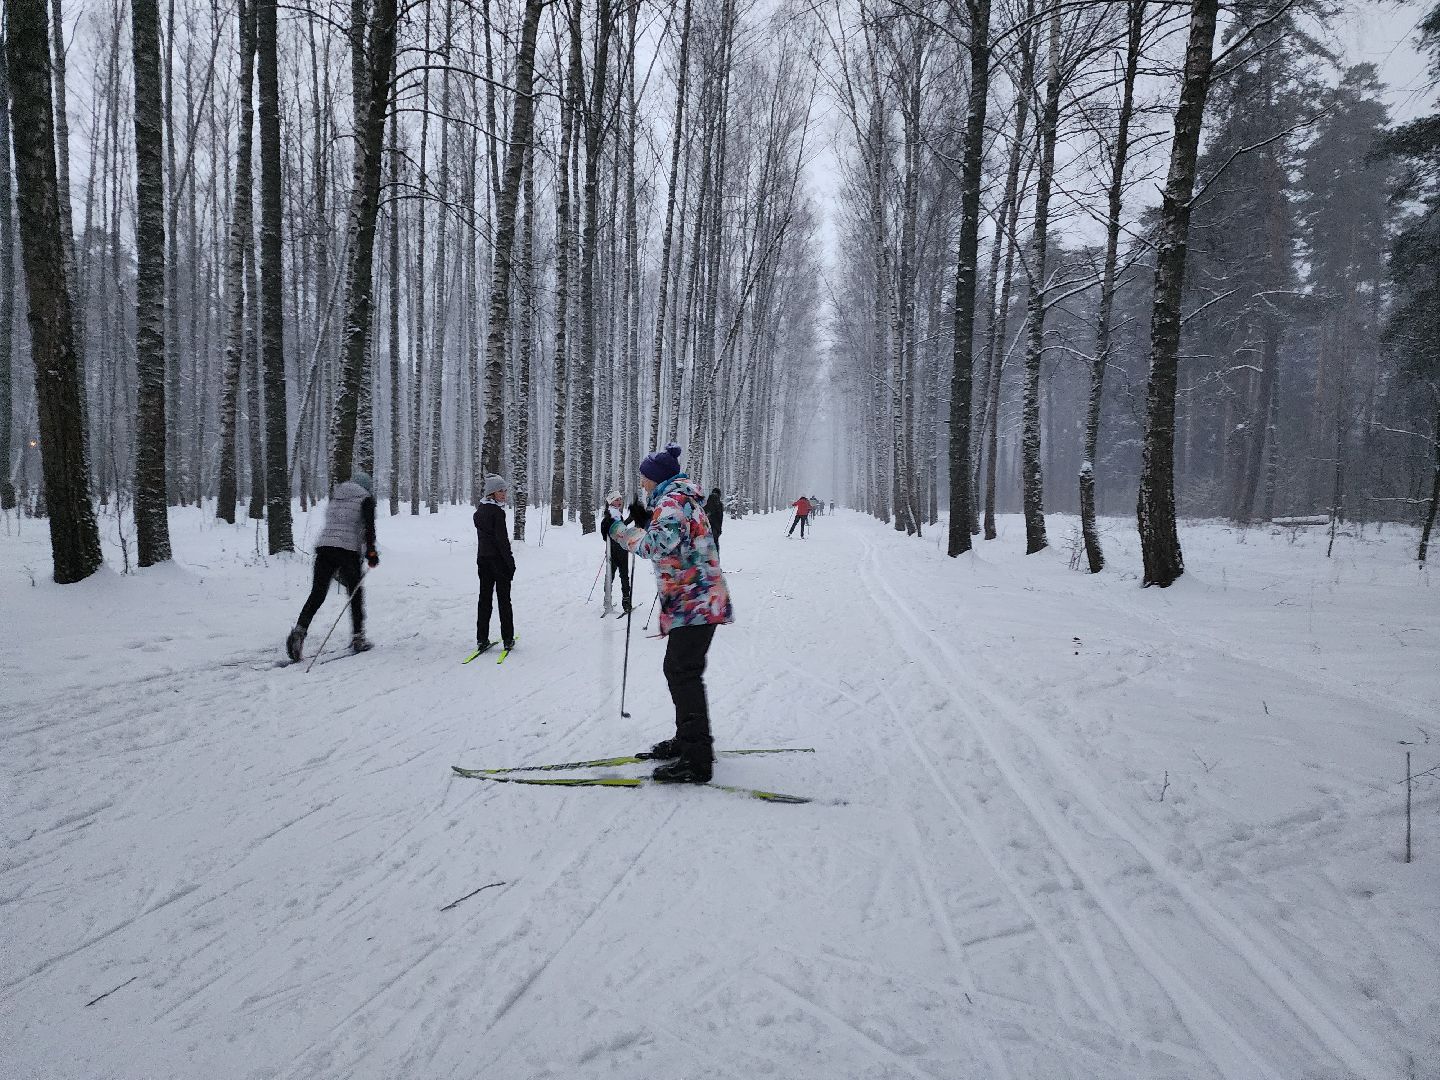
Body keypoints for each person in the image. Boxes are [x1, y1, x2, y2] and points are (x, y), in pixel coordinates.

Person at [607, 442, 733, 784]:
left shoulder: (673, 502)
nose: (642, 482)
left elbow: (655, 545)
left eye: (645, 477)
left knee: (682, 672)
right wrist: (648, 518)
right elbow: (672, 535)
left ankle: (696, 760)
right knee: (680, 671)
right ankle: (689, 741)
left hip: (696, 602)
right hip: (694, 599)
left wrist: (619, 530)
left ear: (657, 477)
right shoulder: (676, 499)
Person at [286, 471, 379, 661]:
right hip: (347, 550)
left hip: (324, 548)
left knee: (318, 593)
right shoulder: (366, 499)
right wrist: (371, 552)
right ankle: (358, 638)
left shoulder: (337, 496)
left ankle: (300, 631)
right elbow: (369, 528)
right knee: (355, 592)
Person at [474, 474, 516, 654]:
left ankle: (481, 639)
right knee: (503, 600)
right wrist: (510, 563)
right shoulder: (497, 512)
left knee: (484, 600)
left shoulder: (480, 510)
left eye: (505, 490)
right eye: (501, 490)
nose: (504, 493)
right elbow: (502, 541)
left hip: (483, 560)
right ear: (492, 492)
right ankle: (507, 638)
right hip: (498, 561)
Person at [601, 491, 633, 614]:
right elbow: (614, 532)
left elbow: (620, 529)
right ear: (610, 502)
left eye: (620, 499)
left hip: (619, 549)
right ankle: (615, 602)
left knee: (618, 575)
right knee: (615, 575)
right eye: (616, 499)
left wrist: (629, 520)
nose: (619, 501)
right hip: (615, 550)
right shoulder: (610, 516)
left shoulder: (616, 514)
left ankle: (622, 602)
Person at [704, 487, 725, 553]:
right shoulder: (720, 504)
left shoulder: (707, 503)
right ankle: (715, 560)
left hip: (707, 527)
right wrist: (719, 530)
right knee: (715, 544)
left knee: (707, 545)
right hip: (716, 528)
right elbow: (720, 518)